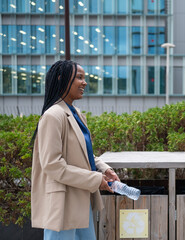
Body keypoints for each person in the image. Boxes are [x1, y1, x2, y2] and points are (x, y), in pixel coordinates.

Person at [31, 60, 120, 240]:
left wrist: (104, 168)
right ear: (61, 79)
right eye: (79, 77)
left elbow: (83, 152)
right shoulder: (53, 116)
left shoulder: (75, 113)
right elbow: (53, 165)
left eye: (84, 78)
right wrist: (95, 179)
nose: (84, 83)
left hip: (80, 197)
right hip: (62, 203)